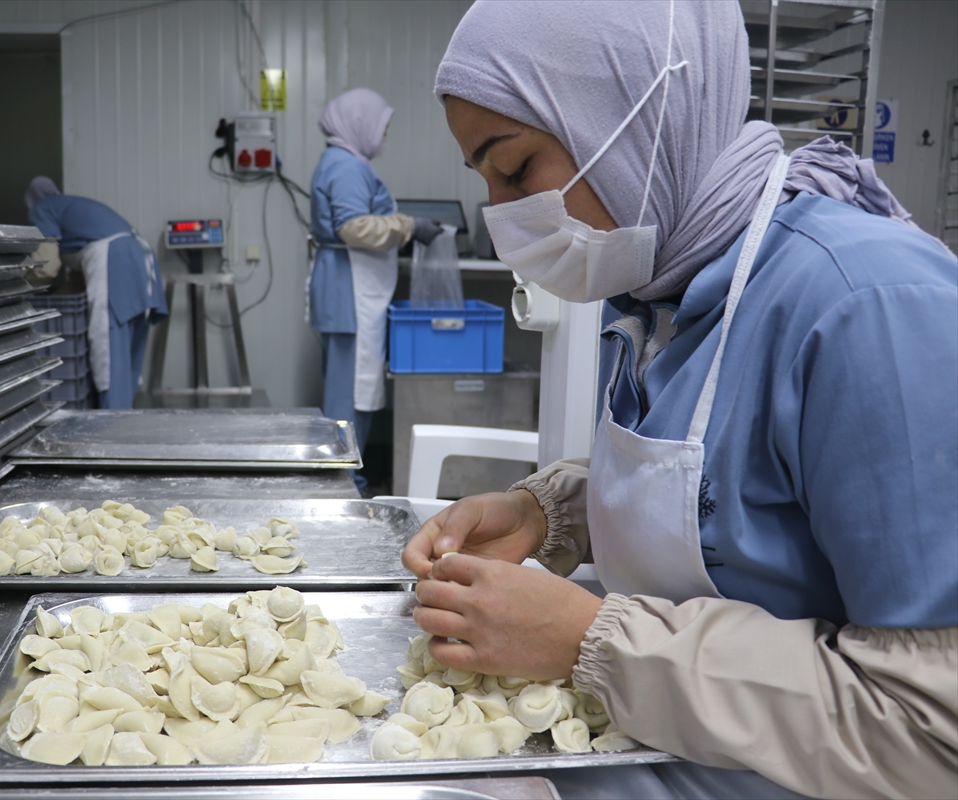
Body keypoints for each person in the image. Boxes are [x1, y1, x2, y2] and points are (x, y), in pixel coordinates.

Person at [403, 2, 957, 798]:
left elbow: (932, 732)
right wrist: (551, 514)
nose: (501, 224)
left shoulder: (871, 309)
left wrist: (595, 641)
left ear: (634, 119)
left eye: (516, 169)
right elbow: (742, 504)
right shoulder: (657, 292)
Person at [308, 88, 444, 490]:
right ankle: (342, 482)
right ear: (360, 123)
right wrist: (409, 226)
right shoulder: (347, 167)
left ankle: (343, 476)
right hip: (351, 290)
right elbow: (354, 227)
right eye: (383, 127)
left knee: (349, 386)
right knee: (351, 391)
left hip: (346, 287)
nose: (384, 136)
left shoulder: (341, 162)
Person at [25, 177, 167, 409]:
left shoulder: (42, 208)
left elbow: (47, 266)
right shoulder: (70, 209)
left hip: (114, 258)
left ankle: (113, 418)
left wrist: (22, 289)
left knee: (109, 345)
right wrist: (58, 299)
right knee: (130, 343)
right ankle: (125, 411)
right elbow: (78, 280)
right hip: (141, 255)